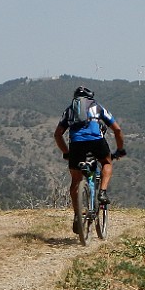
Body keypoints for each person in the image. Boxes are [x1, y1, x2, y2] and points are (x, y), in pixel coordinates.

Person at [54, 86, 126, 234]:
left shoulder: (69, 110)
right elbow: (117, 130)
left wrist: (66, 152)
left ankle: (76, 215)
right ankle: (103, 192)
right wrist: (120, 149)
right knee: (106, 163)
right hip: (96, 141)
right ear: (90, 97)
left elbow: (57, 134)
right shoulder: (97, 107)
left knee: (75, 181)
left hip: (76, 144)